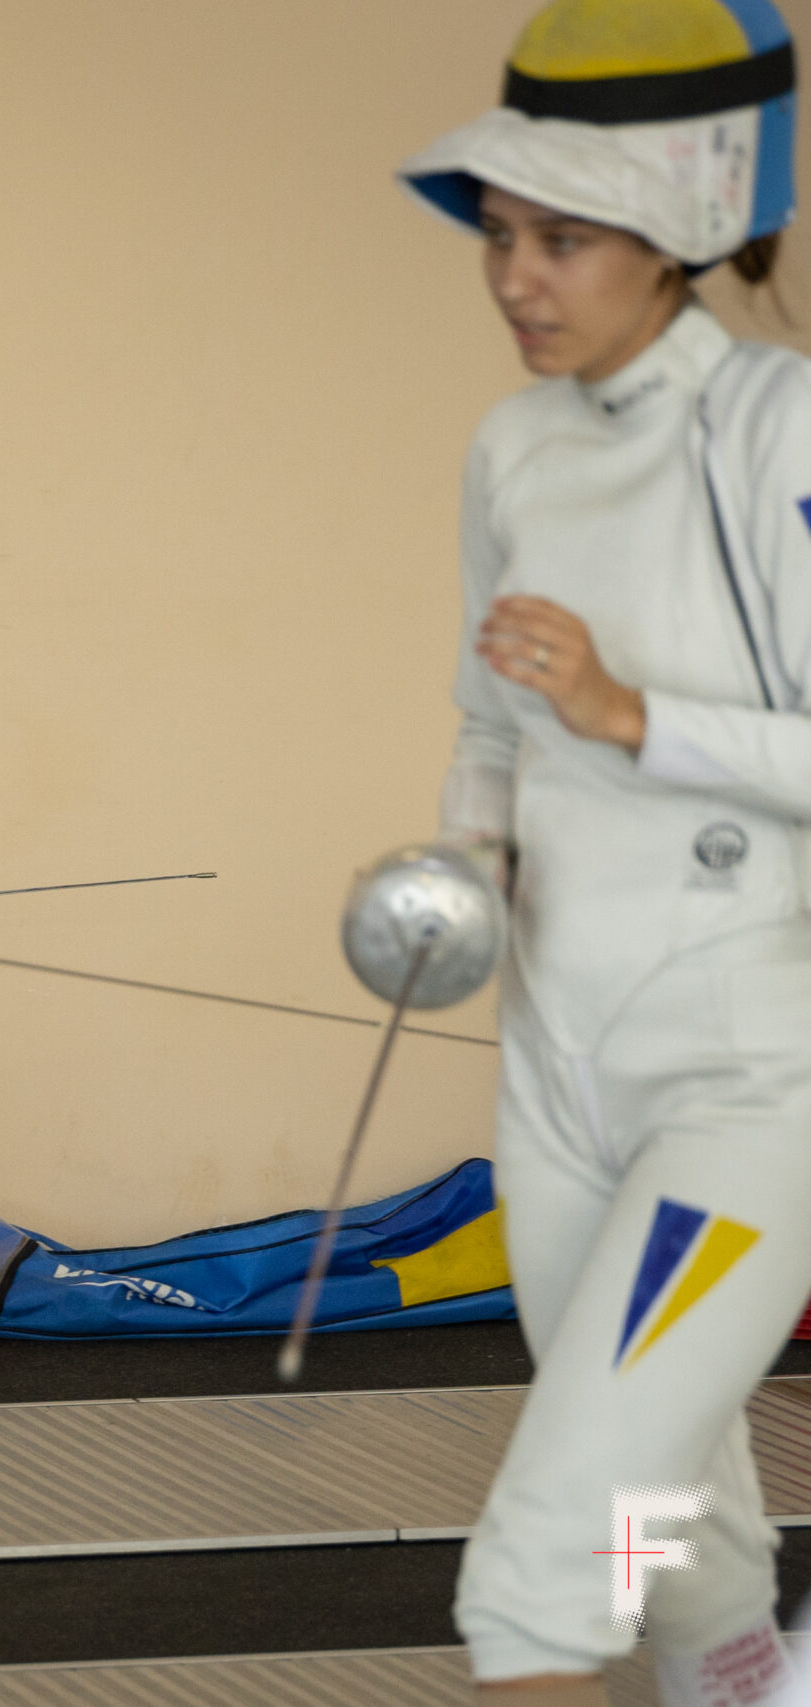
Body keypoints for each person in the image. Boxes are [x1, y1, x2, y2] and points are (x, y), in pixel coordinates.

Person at [401, 3, 811, 1701]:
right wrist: (466, 864)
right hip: (555, 1079)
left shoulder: (774, 432)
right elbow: (493, 723)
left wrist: (641, 716)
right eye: (503, 233)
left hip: (745, 1089)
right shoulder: (515, 449)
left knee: (548, 1558)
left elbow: (602, 708)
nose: (516, 276)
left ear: (689, 221)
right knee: (667, 1493)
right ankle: (730, 1666)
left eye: (563, 237)